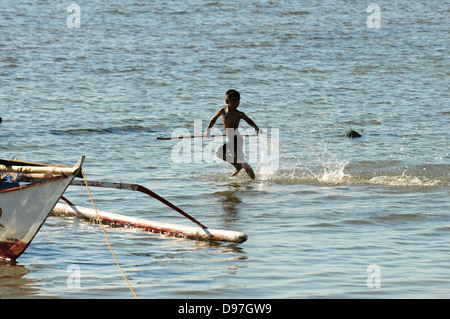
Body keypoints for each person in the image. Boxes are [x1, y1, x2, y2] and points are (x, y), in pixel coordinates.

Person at [204, 89, 261, 180]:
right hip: (231, 140)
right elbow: (213, 119)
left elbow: (248, 120)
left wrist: (255, 127)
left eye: (238, 101)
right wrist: (208, 131)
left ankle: (250, 177)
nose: (236, 103)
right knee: (240, 161)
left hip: (237, 139)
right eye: (234, 101)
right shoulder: (222, 111)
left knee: (219, 153)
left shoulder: (239, 114)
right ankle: (249, 176)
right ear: (227, 101)